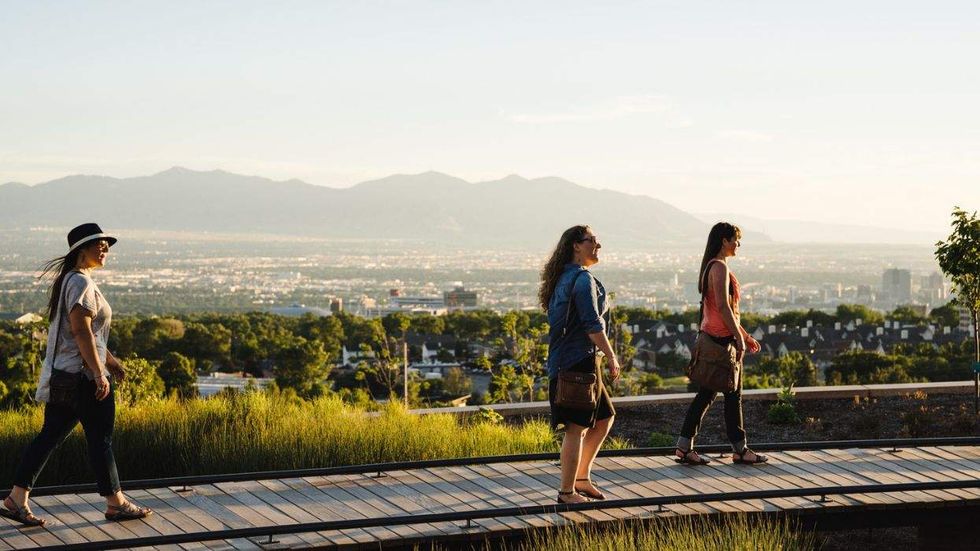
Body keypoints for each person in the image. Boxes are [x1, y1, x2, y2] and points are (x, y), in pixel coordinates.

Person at [1, 223, 152, 526]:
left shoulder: (70, 280)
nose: (106, 248)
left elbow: (89, 335)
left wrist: (110, 361)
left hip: (64, 377)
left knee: (48, 438)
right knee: (101, 441)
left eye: (107, 244)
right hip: (83, 380)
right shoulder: (81, 283)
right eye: (99, 243)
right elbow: (80, 330)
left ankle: (16, 499)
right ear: (81, 249)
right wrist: (98, 374)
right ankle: (116, 503)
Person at [675, 222, 768, 466]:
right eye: (735, 240)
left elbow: (727, 311)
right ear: (724, 241)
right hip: (722, 342)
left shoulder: (711, 266)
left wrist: (745, 335)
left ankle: (685, 446)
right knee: (731, 395)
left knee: (707, 394)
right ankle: (739, 449)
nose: (738, 245)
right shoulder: (719, 267)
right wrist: (738, 338)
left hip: (715, 338)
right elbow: (724, 308)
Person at [541, 225, 621, 504]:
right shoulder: (582, 279)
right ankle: (566, 492)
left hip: (576, 360)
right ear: (576, 245)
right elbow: (592, 324)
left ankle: (582, 478)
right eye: (593, 241)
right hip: (576, 362)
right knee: (576, 428)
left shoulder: (563, 277)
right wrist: (611, 355)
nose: (598, 246)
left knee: (603, 418)